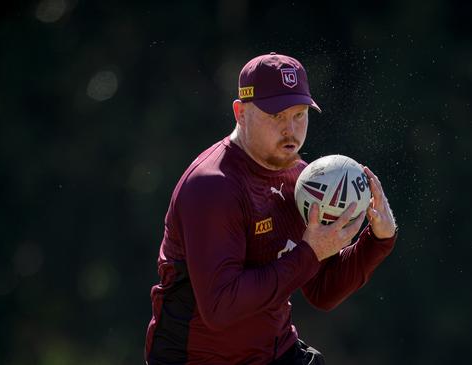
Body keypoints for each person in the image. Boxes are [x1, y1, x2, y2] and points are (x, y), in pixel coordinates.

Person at [145, 52, 397, 365]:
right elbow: (221, 308)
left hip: (274, 353)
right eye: (276, 116)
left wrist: (378, 240)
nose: (290, 130)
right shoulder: (213, 186)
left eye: (299, 115)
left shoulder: (302, 180)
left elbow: (322, 291)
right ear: (240, 113)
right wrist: (309, 253)